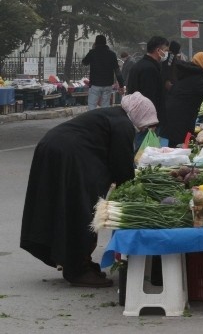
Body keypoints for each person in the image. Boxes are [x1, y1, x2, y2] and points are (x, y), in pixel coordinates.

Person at [20, 92, 159, 287]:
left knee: (68, 204)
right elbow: (121, 168)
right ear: (139, 114)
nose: (145, 128)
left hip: (56, 149)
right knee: (82, 207)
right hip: (68, 155)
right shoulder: (123, 125)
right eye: (146, 123)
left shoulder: (114, 115)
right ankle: (76, 269)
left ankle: (79, 261)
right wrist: (134, 192)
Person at [159, 52, 203, 147]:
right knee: (180, 144)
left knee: (175, 143)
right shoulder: (198, 78)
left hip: (175, 115)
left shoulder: (189, 73)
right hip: (180, 117)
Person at [127, 36, 169, 120]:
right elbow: (150, 96)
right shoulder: (149, 69)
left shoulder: (139, 65)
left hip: (137, 114)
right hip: (147, 118)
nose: (167, 54)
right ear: (158, 50)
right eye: (166, 50)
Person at [81, 35, 124, 110]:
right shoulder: (112, 54)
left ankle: (92, 120)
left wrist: (93, 49)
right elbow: (117, 71)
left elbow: (84, 62)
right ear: (105, 43)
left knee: (92, 106)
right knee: (105, 105)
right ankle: (103, 120)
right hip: (107, 84)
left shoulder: (93, 53)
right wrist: (121, 84)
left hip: (95, 84)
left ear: (96, 42)